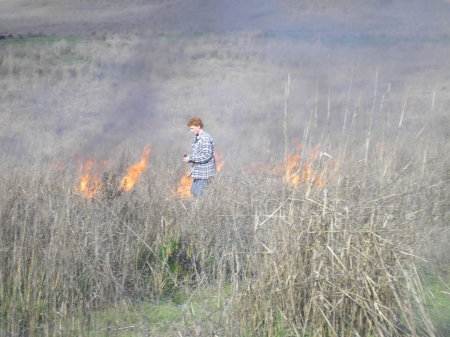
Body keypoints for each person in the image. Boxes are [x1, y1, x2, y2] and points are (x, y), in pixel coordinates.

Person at [182, 117, 216, 197]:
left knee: (199, 195)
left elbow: (206, 155)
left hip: (204, 173)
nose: (191, 131)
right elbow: (199, 153)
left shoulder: (205, 138)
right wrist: (189, 157)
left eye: (192, 128)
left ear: (198, 126)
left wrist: (191, 158)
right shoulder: (197, 137)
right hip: (198, 171)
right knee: (193, 192)